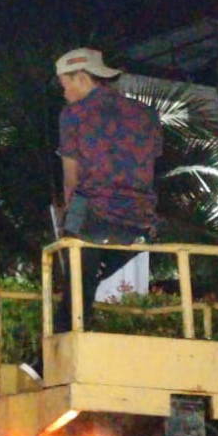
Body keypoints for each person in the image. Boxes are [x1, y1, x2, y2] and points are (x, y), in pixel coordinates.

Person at [54, 46, 162, 333]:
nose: (64, 93)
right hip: (140, 223)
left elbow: (71, 179)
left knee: (76, 280)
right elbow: (149, 166)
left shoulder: (73, 115)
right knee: (85, 281)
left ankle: (55, 350)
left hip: (93, 216)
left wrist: (68, 223)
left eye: (64, 85)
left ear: (81, 78)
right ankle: (52, 350)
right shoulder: (147, 115)